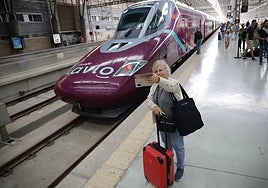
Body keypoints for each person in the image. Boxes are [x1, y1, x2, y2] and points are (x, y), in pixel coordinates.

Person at [146, 59, 185, 182]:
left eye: (160, 70)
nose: (158, 73)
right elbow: (149, 100)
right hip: (162, 122)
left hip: (176, 122)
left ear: (167, 71)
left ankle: (180, 167)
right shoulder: (154, 87)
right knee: (167, 144)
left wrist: (158, 79)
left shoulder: (174, 83)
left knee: (178, 146)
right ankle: (169, 162)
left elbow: (170, 87)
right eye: (155, 72)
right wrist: (154, 107)